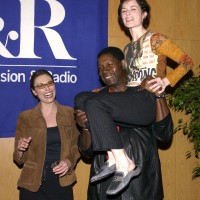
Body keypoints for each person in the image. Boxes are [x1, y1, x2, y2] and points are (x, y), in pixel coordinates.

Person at [75, 47, 173, 199]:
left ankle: (124, 163)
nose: (104, 71)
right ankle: (114, 159)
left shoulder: (142, 93)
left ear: (122, 63)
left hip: (139, 182)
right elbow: (86, 153)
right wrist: (85, 129)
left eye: (109, 64)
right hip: (105, 181)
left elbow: (164, 134)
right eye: (100, 68)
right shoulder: (95, 98)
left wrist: (158, 95)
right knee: (82, 99)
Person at [13, 69, 80, 200]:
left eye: (50, 83)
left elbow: (77, 146)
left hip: (62, 181)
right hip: (32, 184)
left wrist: (69, 161)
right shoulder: (26, 117)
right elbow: (18, 159)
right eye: (40, 86)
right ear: (34, 92)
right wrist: (20, 149)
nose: (47, 88)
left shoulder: (70, 113)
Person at [118, 0, 194, 93]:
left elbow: (187, 62)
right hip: (131, 94)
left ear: (144, 14)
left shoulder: (156, 39)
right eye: (124, 11)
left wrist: (165, 81)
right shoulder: (127, 48)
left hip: (149, 96)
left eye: (133, 9)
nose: (128, 13)